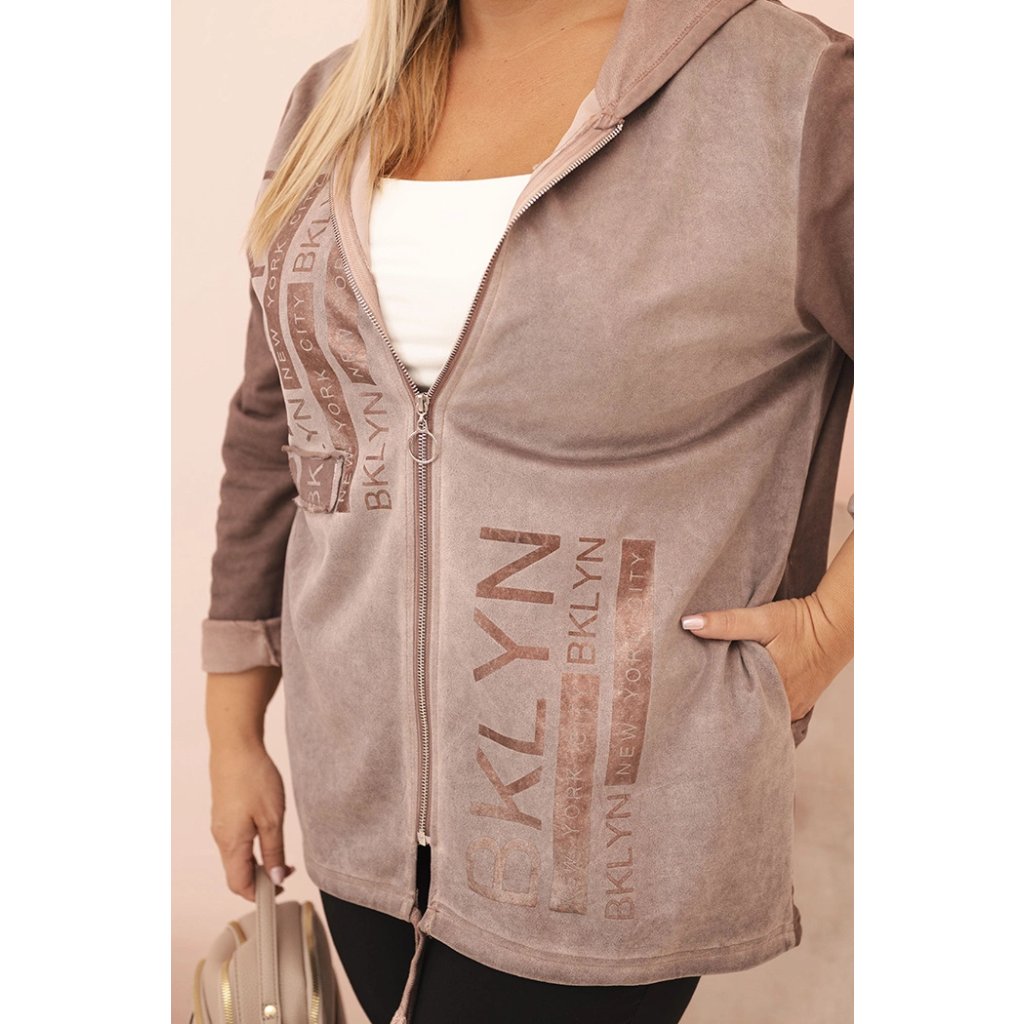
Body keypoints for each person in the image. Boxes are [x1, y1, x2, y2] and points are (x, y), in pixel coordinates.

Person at [202, 0, 854, 1021]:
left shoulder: (795, 90)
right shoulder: (332, 99)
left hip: (606, 823)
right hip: (357, 800)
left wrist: (831, 624)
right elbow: (277, 421)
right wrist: (233, 728)